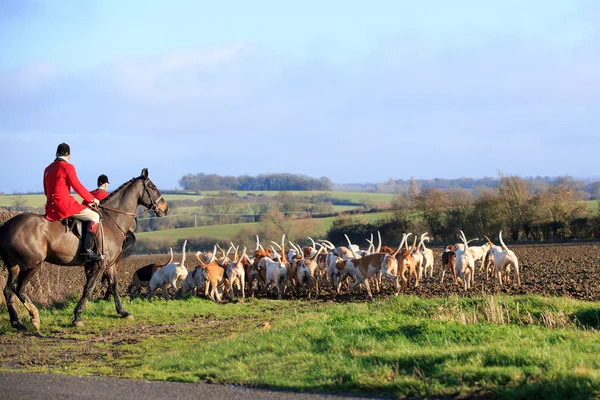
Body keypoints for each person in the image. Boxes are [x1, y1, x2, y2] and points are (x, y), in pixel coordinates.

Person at [43, 143, 102, 261]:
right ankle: (87, 250)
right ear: (69, 156)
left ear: (56, 154)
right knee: (94, 216)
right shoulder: (68, 167)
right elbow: (77, 186)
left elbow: (46, 190)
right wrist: (92, 199)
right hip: (64, 205)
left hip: (50, 206)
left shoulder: (48, 169)